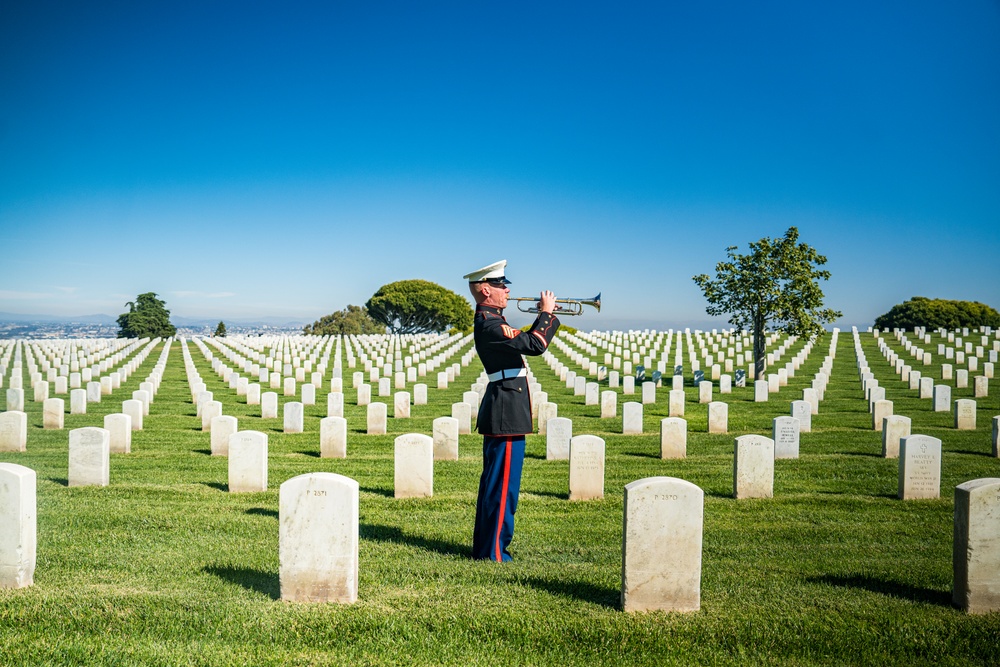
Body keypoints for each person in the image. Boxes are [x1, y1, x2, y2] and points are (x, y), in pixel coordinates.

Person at [463, 259, 560, 562]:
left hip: (506, 408)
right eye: (500, 285)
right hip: (506, 411)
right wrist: (546, 313)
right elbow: (535, 344)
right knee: (502, 489)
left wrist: (545, 316)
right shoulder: (490, 325)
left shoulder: (494, 322)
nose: (506, 290)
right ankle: (493, 553)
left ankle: (488, 549)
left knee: (499, 485)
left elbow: (528, 340)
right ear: (485, 291)